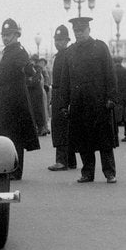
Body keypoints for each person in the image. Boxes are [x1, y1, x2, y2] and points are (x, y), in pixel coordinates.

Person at [60, 16, 118, 183]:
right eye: (76, 31)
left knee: (104, 140)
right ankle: (87, 173)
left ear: (89, 30)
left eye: (82, 31)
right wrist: (64, 104)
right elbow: (65, 80)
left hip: (99, 102)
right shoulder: (70, 52)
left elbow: (110, 74)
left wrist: (111, 97)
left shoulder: (100, 48)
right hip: (79, 103)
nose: (79, 34)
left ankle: (110, 172)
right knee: (83, 140)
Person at [0, 18, 40, 180]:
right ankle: (9, 169)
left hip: (16, 101)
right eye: (4, 35)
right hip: (6, 100)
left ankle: (16, 171)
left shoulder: (19, 51)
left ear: (16, 35)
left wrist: (27, 69)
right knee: (6, 135)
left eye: (9, 35)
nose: (5, 38)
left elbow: (29, 70)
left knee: (16, 138)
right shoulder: (8, 51)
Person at [47, 25, 76, 171]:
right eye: (56, 40)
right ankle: (70, 160)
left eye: (61, 40)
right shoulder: (63, 55)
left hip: (62, 94)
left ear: (67, 40)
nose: (58, 43)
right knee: (65, 128)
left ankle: (61, 161)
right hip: (59, 93)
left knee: (60, 127)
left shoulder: (66, 55)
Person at [26, 53, 48, 135]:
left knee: (39, 110)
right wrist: (29, 80)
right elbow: (27, 80)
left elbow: (34, 81)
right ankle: (40, 128)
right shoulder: (29, 69)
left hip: (37, 92)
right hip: (33, 92)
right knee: (35, 110)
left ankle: (42, 128)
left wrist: (29, 81)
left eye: (33, 60)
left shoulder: (37, 69)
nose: (32, 62)